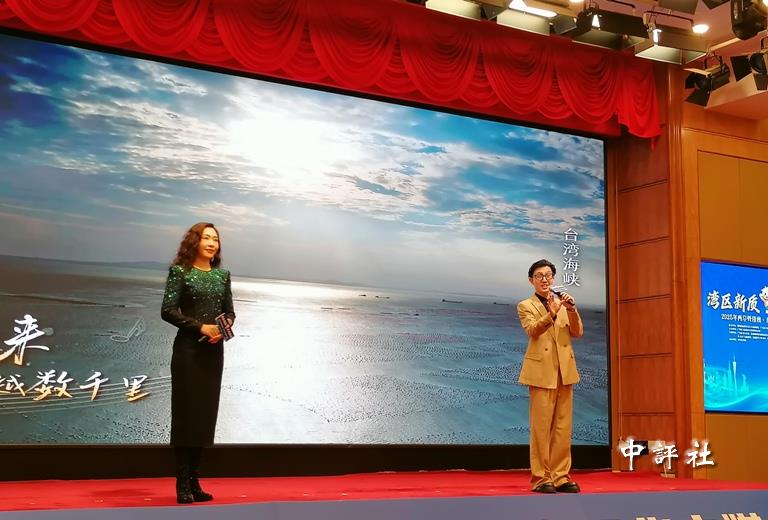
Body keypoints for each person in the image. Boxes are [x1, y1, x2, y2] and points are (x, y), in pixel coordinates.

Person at [161, 222, 235, 504]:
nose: (212, 242)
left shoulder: (222, 276)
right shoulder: (180, 272)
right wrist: (200, 327)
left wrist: (223, 329)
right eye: (206, 237)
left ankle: (195, 480)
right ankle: (182, 482)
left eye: (215, 238)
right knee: (186, 415)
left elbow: (230, 312)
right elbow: (168, 311)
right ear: (195, 241)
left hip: (213, 353)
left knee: (204, 416)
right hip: (188, 352)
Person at [517, 259, 583, 494]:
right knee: (541, 428)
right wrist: (551, 314)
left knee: (563, 428)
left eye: (548, 275)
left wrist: (572, 310)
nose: (544, 279)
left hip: (565, 371)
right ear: (531, 280)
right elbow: (532, 330)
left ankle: (561, 476)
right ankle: (541, 478)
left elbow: (577, 332)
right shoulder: (525, 305)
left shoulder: (564, 303)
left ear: (553, 278)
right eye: (539, 276)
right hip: (541, 373)